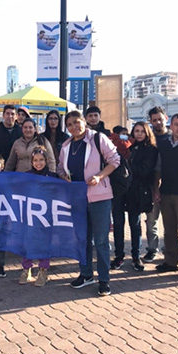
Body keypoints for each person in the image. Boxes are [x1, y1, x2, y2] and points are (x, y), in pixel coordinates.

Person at [58, 110, 120, 296]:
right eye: (70, 125)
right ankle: (86, 274)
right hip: (77, 198)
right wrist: (63, 176)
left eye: (77, 122)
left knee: (100, 240)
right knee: (82, 238)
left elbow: (115, 160)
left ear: (84, 121)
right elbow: (60, 168)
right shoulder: (66, 146)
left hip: (99, 197)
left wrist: (100, 176)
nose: (74, 127)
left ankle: (104, 279)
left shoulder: (98, 138)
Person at [110, 122, 158, 272]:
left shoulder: (150, 149)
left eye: (141, 131)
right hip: (120, 189)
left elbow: (145, 170)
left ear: (147, 133)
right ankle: (119, 256)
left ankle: (136, 256)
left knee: (135, 225)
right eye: (136, 131)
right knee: (118, 224)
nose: (138, 134)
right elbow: (116, 137)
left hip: (136, 190)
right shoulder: (128, 144)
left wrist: (126, 164)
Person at [154, 112, 178, 280]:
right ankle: (170, 261)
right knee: (169, 230)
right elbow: (158, 168)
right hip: (167, 192)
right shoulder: (164, 144)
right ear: (171, 126)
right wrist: (156, 189)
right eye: (177, 124)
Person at [19, 146, 58, 287]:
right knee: (27, 242)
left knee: (44, 243)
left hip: (46, 217)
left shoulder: (53, 177)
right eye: (35, 160)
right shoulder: (27, 176)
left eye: (41, 160)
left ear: (46, 160)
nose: (38, 163)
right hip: (30, 216)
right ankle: (26, 268)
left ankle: (43, 270)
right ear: (31, 161)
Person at [143, 106, 171, 262]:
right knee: (151, 220)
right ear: (151, 121)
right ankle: (152, 249)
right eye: (154, 120)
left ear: (165, 118)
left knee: (170, 221)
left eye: (160, 119)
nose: (158, 122)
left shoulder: (174, 137)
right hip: (150, 186)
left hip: (171, 186)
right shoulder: (149, 139)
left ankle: (170, 249)